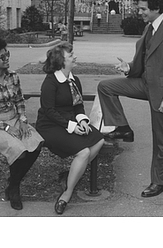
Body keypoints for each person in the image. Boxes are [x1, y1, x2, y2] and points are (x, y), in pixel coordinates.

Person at [98, 0, 163, 198]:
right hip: (144, 83)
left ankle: (160, 182)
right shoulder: (149, 28)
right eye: (140, 8)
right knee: (106, 87)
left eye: (143, 9)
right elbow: (144, 59)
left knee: (161, 140)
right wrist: (128, 68)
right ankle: (123, 128)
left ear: (156, 8)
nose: (140, 12)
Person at [0, 36, 44, 210]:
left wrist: (22, 120)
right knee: (18, 150)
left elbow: (19, 100)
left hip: (15, 118)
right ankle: (15, 190)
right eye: (2, 57)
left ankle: (12, 183)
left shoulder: (13, 76)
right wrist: (6, 127)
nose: (7, 59)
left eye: (8, 54)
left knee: (36, 144)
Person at [36, 41, 104, 215]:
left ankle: (71, 175)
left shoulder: (74, 80)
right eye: (71, 55)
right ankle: (67, 193)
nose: (75, 57)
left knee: (99, 140)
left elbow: (78, 106)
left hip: (70, 123)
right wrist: (72, 126)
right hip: (50, 125)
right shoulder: (50, 82)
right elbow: (49, 111)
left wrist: (82, 121)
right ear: (61, 62)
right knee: (84, 152)